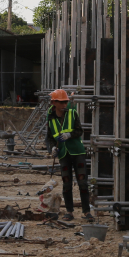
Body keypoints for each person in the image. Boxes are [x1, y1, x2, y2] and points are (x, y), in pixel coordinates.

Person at [43, 88, 94, 222]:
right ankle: (69, 211)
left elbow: (79, 131)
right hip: (63, 154)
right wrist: (53, 148)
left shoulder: (72, 113)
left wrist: (69, 135)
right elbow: (50, 137)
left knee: (82, 182)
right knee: (67, 183)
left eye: (65, 102)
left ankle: (86, 211)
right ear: (54, 102)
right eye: (61, 102)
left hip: (77, 152)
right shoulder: (50, 116)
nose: (64, 105)